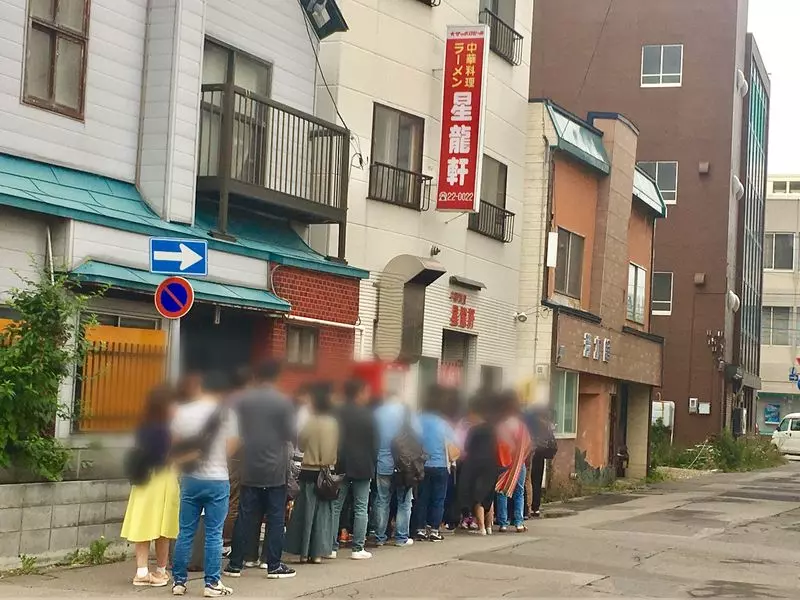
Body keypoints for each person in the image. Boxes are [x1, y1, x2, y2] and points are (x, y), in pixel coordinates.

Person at [224, 361, 296, 580]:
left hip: (249, 465)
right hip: (275, 468)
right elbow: (290, 433)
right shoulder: (283, 401)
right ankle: (273, 564)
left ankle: (236, 564)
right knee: (275, 518)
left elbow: (236, 431)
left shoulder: (243, 401)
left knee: (245, 516)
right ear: (277, 376)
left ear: (257, 376)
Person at [170, 372, 239, 597]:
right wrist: (217, 459)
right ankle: (211, 583)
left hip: (190, 479)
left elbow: (175, 445)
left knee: (185, 532)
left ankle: (179, 582)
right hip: (217, 479)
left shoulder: (182, 411)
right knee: (214, 533)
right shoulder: (226, 413)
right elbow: (232, 446)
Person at [121, 384, 179, 587]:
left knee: (143, 524)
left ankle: (142, 571)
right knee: (164, 527)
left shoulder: (143, 426)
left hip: (143, 480)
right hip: (162, 479)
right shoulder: (164, 430)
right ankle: (161, 570)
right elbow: (167, 457)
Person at [285, 383, 340, 563]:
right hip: (327, 472)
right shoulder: (333, 424)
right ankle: (318, 553)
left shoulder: (310, 422)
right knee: (323, 514)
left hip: (309, 471)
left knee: (305, 513)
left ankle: (303, 552)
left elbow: (300, 444)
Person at [331, 378, 377, 559]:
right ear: (360, 393)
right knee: (361, 507)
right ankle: (358, 548)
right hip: (363, 465)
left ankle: (331, 547)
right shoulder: (368, 415)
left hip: (341, 463)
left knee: (336, 506)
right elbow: (374, 443)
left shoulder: (337, 412)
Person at [373, 392, 421, 547]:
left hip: (383, 462)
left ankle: (380, 537)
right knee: (404, 501)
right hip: (404, 465)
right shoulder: (407, 413)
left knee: (382, 500)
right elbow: (418, 434)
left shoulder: (377, 413)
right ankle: (401, 538)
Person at [411, 385, 456, 542]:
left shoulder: (417, 420)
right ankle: (435, 530)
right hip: (440, 465)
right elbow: (453, 445)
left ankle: (420, 529)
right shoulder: (443, 423)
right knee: (438, 500)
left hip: (422, 465)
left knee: (422, 498)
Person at [223, 367, 255, 560]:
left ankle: (223, 539)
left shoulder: (225, 400)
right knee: (235, 499)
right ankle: (227, 542)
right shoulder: (247, 402)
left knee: (227, 496)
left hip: (225, 452)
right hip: (239, 453)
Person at [456, 394, 500, 536]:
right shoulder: (493, 430)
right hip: (491, 464)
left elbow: (467, 447)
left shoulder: (473, 430)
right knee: (489, 495)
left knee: (478, 496)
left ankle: (481, 528)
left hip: (476, 464)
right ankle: (489, 526)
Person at [495, 390, 532, 533]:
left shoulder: (501, 426)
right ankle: (519, 522)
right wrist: (521, 457)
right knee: (519, 492)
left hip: (504, 462)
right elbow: (528, 445)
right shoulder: (521, 426)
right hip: (518, 464)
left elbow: (497, 445)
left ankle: (503, 523)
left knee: (501, 490)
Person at [524, 405, 558, 518]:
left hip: (531, 453)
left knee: (528, 481)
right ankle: (536, 507)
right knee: (537, 481)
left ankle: (527, 507)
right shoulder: (545, 424)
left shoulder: (531, 423)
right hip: (541, 454)